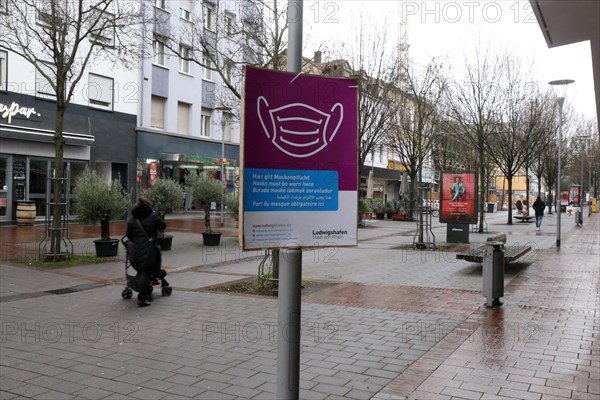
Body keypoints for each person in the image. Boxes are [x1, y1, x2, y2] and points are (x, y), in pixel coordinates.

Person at [126, 196, 166, 307]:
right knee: (146, 273)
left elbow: (129, 234)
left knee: (142, 271)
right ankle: (142, 298)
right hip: (149, 249)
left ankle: (142, 294)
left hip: (136, 249)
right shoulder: (152, 216)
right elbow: (163, 226)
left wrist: (138, 242)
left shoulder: (132, 218)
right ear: (148, 205)